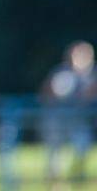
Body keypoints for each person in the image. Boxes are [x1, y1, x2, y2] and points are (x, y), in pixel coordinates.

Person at [39, 40, 97, 180]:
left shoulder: (93, 74)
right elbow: (44, 94)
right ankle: (54, 180)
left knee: (82, 146)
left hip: (80, 121)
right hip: (58, 119)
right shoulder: (61, 72)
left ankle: (78, 174)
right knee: (55, 152)